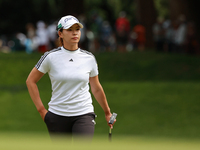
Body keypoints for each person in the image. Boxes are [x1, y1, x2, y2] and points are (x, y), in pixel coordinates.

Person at [26, 15, 116, 140]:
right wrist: (42, 110)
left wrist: (107, 112)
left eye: (77, 29)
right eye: (69, 30)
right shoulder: (50, 57)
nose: (75, 33)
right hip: (57, 115)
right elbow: (31, 81)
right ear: (60, 33)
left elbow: (96, 87)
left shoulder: (89, 58)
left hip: (84, 114)